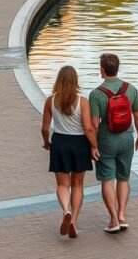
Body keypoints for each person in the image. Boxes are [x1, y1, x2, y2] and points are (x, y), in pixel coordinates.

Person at [90, 53, 138, 234]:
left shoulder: (96, 94)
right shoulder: (131, 89)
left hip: (107, 141)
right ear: (117, 68)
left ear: (102, 70)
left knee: (107, 179)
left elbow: (94, 124)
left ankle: (113, 219)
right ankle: (122, 215)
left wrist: (93, 145)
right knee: (123, 178)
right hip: (127, 139)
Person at [41, 66, 98, 239]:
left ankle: (65, 209)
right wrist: (94, 146)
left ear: (58, 80)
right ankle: (73, 220)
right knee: (78, 185)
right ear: (75, 80)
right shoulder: (83, 101)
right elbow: (88, 129)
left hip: (60, 142)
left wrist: (47, 142)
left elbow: (44, 128)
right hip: (79, 143)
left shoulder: (51, 101)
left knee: (62, 185)